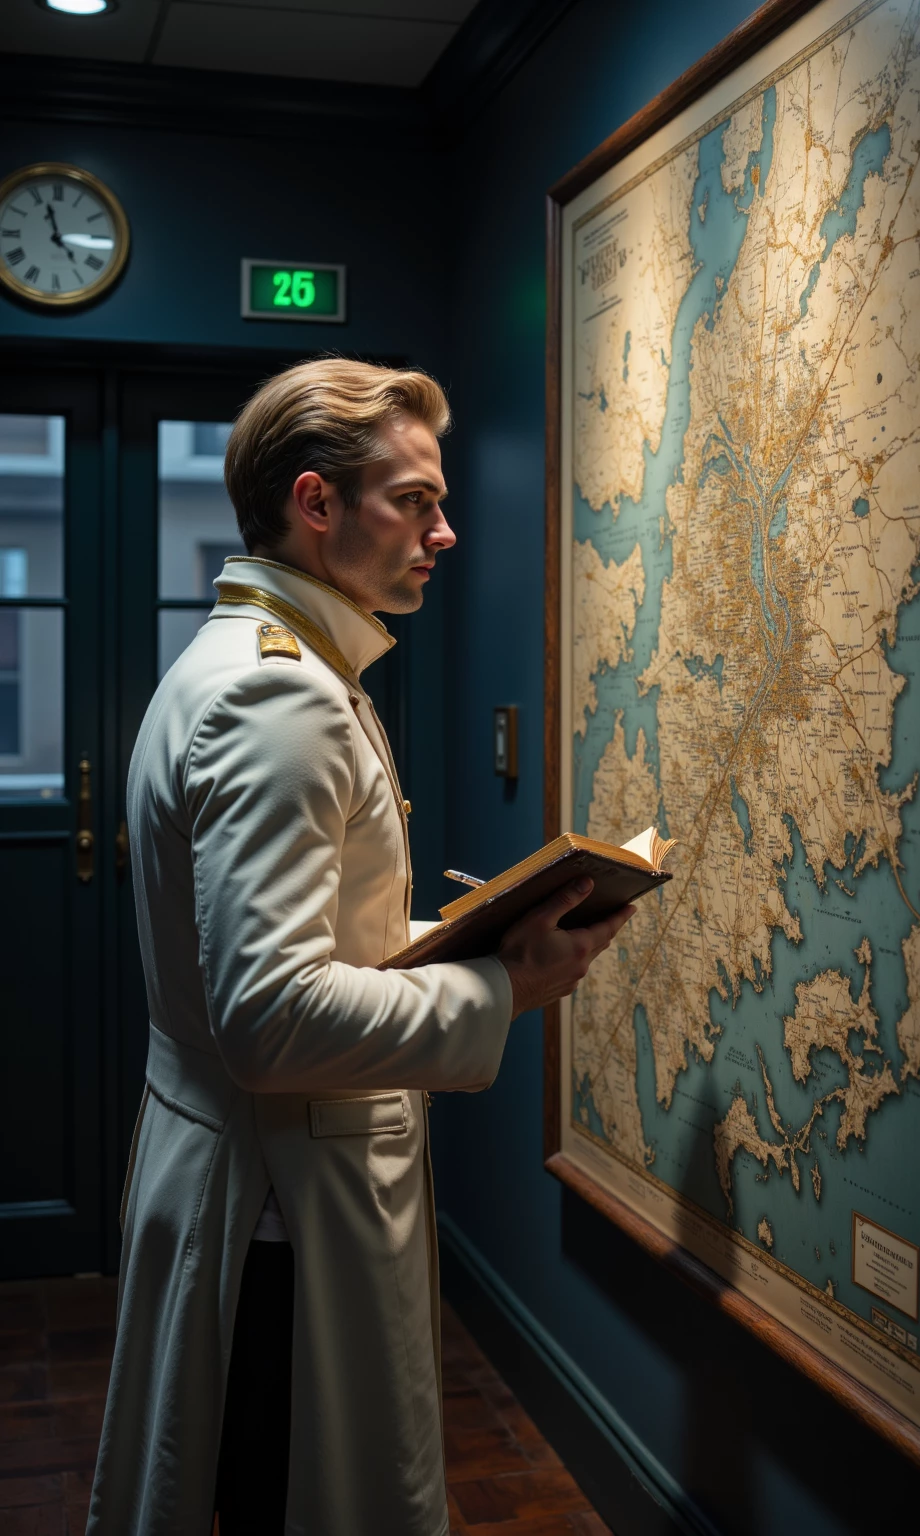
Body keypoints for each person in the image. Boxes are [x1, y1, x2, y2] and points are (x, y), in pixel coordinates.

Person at [85, 359, 634, 1536]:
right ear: (315, 504)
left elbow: (314, 946)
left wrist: (464, 932)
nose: (442, 532)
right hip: (285, 1214)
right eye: (413, 500)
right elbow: (271, 1019)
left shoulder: (247, 662)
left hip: (261, 1182)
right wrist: (502, 982)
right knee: (281, 1495)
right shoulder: (280, 700)